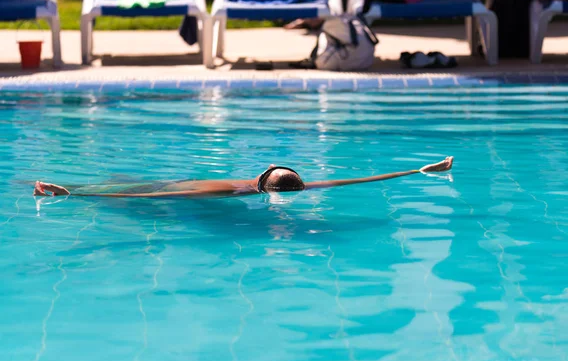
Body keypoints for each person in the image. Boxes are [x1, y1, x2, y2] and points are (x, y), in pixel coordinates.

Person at [33, 156, 454, 199]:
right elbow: (357, 181)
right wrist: (417, 170)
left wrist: (75, 193)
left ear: (262, 177)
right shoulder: (304, 187)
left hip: (177, 193)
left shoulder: (219, 189)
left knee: (132, 185)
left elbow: (148, 197)